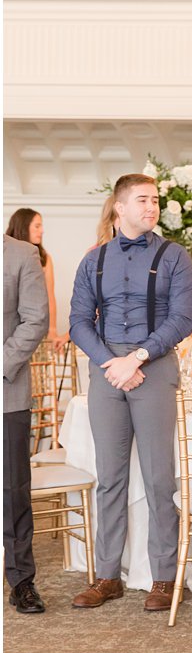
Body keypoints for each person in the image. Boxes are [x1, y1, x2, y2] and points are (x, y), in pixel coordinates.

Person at [68, 174, 192, 611]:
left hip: (154, 367)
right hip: (108, 371)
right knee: (110, 478)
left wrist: (137, 357)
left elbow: (183, 319)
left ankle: (163, 576)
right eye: (143, 200)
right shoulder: (94, 260)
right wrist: (112, 362)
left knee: (160, 478)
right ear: (119, 208)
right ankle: (107, 576)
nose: (152, 207)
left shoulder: (175, 256)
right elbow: (79, 322)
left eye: (155, 200)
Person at [4, 235, 51, 613]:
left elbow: (36, 318)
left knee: (12, 492)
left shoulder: (21, 254)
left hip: (6, 392)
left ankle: (21, 582)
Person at [5, 209, 67, 354]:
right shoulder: (7, 254)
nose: (42, 231)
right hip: (9, 331)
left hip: (34, 330)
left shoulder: (44, 258)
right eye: (37, 226)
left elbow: (49, 296)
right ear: (23, 226)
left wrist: (52, 329)